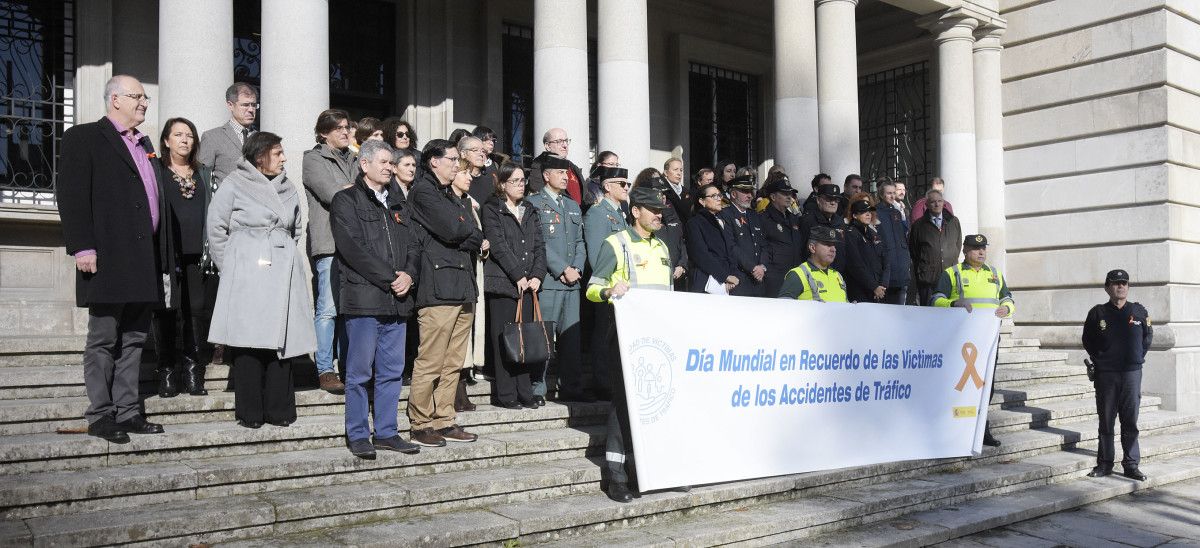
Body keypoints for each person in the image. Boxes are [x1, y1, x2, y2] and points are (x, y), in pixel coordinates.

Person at [57, 74, 167, 443]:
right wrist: (82, 247)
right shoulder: (84, 137)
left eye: (145, 97)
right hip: (106, 257)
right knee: (103, 338)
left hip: (142, 258)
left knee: (135, 339)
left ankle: (128, 410)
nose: (144, 102)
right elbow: (71, 196)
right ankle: (101, 415)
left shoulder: (144, 144)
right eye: (137, 96)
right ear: (114, 98)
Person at [207, 131, 317, 429]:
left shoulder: (288, 187)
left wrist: (285, 255)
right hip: (247, 268)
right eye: (278, 153)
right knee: (248, 340)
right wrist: (231, 266)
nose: (284, 158)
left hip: (282, 266)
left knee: (281, 340)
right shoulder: (234, 183)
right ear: (260, 157)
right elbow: (215, 228)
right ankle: (250, 411)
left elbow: (296, 229)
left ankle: (279, 409)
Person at [329, 139, 423, 460]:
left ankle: (386, 431)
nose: (389, 167)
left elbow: (414, 245)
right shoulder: (347, 201)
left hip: (397, 302)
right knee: (358, 373)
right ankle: (357, 433)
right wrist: (391, 277)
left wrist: (409, 274)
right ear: (364, 164)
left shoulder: (400, 204)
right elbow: (352, 248)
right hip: (364, 299)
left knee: (392, 371)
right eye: (383, 161)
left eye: (391, 162)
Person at [586, 186, 674, 503]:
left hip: (659, 343)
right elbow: (593, 288)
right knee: (623, 407)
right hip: (625, 340)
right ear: (635, 211)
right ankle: (617, 478)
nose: (658, 214)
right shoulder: (617, 243)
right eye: (652, 209)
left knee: (656, 408)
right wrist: (610, 291)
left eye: (660, 209)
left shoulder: (662, 247)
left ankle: (649, 473)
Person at [407, 139, 487, 446]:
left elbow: (477, 233)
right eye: (452, 159)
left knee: (453, 361)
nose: (457, 163)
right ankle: (421, 422)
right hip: (438, 288)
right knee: (432, 359)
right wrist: (468, 233)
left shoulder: (452, 196)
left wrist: (468, 232)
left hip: (463, 286)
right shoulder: (424, 192)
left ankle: (444, 418)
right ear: (434, 162)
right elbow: (455, 231)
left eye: (457, 158)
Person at [931, 234, 1014, 447]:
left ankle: (982, 431)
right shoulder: (952, 273)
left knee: (988, 387)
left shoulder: (995, 274)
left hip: (988, 340)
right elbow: (935, 299)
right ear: (965, 251)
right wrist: (952, 304)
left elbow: (1008, 298)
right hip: (962, 341)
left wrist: (1008, 309)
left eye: (983, 248)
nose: (981, 252)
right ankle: (957, 430)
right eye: (976, 248)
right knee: (960, 387)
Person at [153, 117, 215, 398]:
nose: (184, 140)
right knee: (166, 312)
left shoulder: (204, 173)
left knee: (196, 313)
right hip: (168, 254)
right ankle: (166, 370)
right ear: (166, 140)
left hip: (198, 256)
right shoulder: (156, 171)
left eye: (189, 135)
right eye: (178, 135)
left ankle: (193, 370)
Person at [481, 162, 547, 409]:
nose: (521, 185)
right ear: (502, 184)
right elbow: (498, 245)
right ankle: (506, 394)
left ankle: (525, 391)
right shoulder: (493, 208)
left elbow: (540, 245)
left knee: (525, 341)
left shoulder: (529, 208)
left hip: (529, 285)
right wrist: (518, 275)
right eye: (515, 181)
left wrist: (537, 275)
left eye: (523, 181)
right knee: (505, 341)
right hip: (504, 284)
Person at [302, 109, 355, 394]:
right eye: (339, 128)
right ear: (324, 132)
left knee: (349, 309)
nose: (346, 132)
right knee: (329, 308)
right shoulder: (313, 158)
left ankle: (347, 365)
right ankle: (325, 368)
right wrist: (356, 189)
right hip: (329, 243)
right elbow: (332, 194)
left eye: (347, 127)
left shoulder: (355, 158)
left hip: (356, 246)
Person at [526, 154, 586, 404]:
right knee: (543, 337)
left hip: (572, 283)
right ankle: (537, 388)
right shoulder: (534, 204)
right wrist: (562, 268)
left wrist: (577, 268)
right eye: (560, 173)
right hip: (550, 281)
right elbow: (538, 242)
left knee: (571, 339)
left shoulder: (572, 205)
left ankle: (571, 387)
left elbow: (580, 242)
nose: (565, 178)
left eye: (567, 174)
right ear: (546, 175)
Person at [1082, 269, 1152, 481]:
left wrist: (1136, 357)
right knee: (1106, 421)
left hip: (1131, 374)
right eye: (1115, 283)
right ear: (1107, 288)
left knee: (1130, 421)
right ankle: (1105, 464)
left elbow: (1147, 338)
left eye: (1124, 283)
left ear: (1128, 287)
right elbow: (1088, 340)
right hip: (1107, 376)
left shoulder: (1138, 311)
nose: (1120, 286)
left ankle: (1131, 464)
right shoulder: (1098, 313)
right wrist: (1101, 360)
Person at [581, 166, 631, 401]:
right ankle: (602, 381)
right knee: (603, 334)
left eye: (627, 183)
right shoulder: (598, 213)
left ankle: (612, 380)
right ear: (607, 187)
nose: (626, 187)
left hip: (623, 287)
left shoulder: (621, 213)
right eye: (621, 183)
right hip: (608, 286)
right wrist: (606, 285)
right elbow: (596, 254)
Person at [453, 155, 487, 413]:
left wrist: (483, 245)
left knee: (470, 330)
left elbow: (476, 234)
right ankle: (456, 389)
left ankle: (463, 383)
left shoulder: (470, 204)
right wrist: (477, 241)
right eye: (464, 173)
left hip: (474, 271)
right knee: (457, 337)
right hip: (457, 273)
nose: (469, 178)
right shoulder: (449, 202)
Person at [634, 168, 689, 291]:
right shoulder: (643, 216)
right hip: (656, 277)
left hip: (678, 274)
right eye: (658, 192)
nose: (662, 196)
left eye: (664, 193)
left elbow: (681, 240)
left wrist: (682, 264)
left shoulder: (670, 209)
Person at [908, 189, 962, 306]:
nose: (937, 204)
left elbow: (958, 244)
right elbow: (914, 251)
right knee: (929, 312)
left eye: (940, 201)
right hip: (928, 278)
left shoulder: (954, 221)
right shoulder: (918, 225)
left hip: (950, 275)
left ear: (944, 203)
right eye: (933, 202)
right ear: (926, 205)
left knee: (950, 312)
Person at [198, 82, 257, 188]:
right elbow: (203, 177)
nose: (251, 110)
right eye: (245, 105)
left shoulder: (262, 138)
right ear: (230, 105)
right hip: (227, 202)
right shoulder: (212, 137)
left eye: (253, 105)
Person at [686, 184, 740, 294]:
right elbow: (701, 255)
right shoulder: (694, 223)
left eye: (719, 195)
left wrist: (732, 275)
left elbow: (730, 251)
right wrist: (725, 276)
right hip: (705, 282)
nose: (719, 198)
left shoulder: (721, 221)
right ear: (702, 201)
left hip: (725, 284)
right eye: (714, 196)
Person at [720, 175, 767, 297]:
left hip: (759, 278)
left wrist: (762, 266)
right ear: (734, 194)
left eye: (751, 192)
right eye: (745, 192)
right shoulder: (725, 214)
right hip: (739, 277)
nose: (750, 195)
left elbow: (764, 245)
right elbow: (731, 246)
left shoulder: (754, 215)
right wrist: (752, 267)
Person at [760, 177, 805, 298]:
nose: (789, 196)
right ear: (773, 197)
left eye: (790, 193)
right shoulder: (763, 219)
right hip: (774, 277)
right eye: (784, 194)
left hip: (795, 274)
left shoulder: (794, 219)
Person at [778, 226, 848, 302]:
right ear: (812, 248)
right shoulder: (798, 274)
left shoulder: (837, 275)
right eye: (828, 244)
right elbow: (784, 307)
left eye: (834, 245)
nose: (833, 249)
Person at [842, 199, 888, 303]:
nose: (868, 214)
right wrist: (874, 286)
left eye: (869, 211)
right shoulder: (850, 234)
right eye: (863, 212)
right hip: (860, 291)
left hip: (878, 290)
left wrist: (883, 285)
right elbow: (855, 265)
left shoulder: (873, 233)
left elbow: (885, 259)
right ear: (854, 216)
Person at [875, 179, 911, 304]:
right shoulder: (875, 213)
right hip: (886, 271)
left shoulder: (896, 212)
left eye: (893, 193)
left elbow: (903, 239)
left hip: (900, 269)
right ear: (881, 195)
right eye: (888, 193)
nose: (892, 196)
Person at [799, 183, 849, 273]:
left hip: (837, 275)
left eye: (836, 199)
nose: (833, 203)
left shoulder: (840, 222)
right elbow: (801, 250)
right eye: (829, 199)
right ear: (818, 200)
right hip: (814, 274)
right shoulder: (808, 221)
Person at [528, 128, 585, 203]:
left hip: (580, 213)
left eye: (566, 141)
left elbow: (585, 195)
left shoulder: (572, 167)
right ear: (548, 146)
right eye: (559, 141)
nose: (565, 145)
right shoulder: (539, 165)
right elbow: (538, 192)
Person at [460, 135, 493, 206]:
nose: (481, 154)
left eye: (483, 151)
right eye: (475, 150)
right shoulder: (457, 181)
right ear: (463, 153)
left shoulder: (491, 179)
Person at [662, 157, 694, 223]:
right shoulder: (661, 191)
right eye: (675, 169)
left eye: (681, 170)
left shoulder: (687, 192)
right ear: (666, 172)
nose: (679, 173)